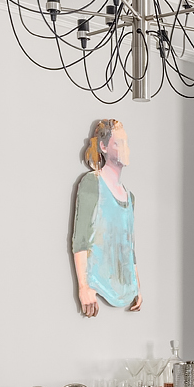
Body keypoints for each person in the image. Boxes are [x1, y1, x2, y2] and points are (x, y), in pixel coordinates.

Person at [70, 118, 141, 315]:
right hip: (99, 289)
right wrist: (83, 287)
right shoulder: (92, 184)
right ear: (103, 146)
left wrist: (136, 286)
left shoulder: (129, 197)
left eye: (126, 142)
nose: (125, 149)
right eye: (118, 143)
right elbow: (80, 240)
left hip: (127, 294)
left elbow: (130, 247)